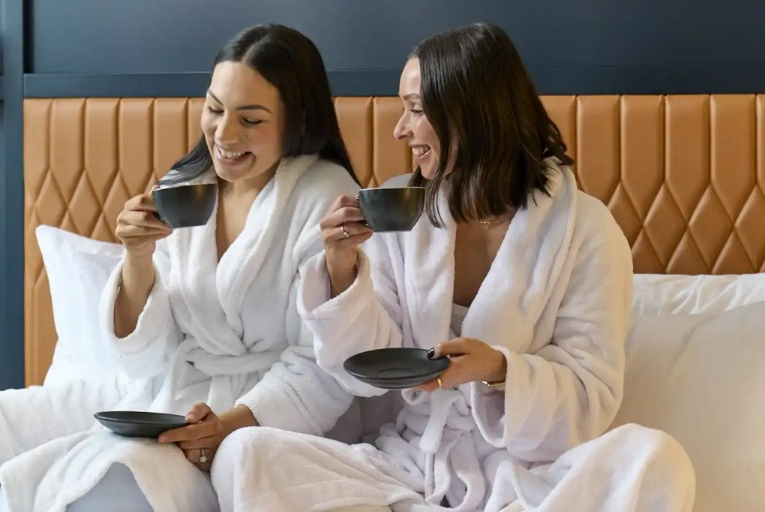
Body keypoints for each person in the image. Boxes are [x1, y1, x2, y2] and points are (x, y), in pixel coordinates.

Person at [211, 22, 697, 512]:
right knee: (245, 455)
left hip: (527, 478)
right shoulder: (403, 213)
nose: (400, 129)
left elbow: (588, 399)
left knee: (656, 459)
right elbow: (365, 371)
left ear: (471, 115)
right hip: (405, 468)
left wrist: (500, 370)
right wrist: (341, 269)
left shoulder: (586, 231)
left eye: (416, 110)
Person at [0, 23, 362, 512]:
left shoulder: (323, 195)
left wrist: (223, 426)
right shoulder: (186, 187)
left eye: (250, 120)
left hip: (262, 423)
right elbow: (145, 357)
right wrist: (137, 255)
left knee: (120, 472)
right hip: (168, 396)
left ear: (298, 121)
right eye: (214, 109)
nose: (224, 135)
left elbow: (322, 367)